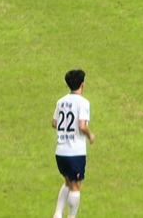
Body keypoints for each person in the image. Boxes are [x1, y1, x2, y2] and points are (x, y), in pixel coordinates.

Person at [52, 69, 94, 218]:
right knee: (75, 186)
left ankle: (57, 214)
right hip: (75, 152)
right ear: (82, 85)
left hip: (60, 151)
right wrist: (90, 135)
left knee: (68, 182)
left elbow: (54, 123)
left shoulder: (61, 102)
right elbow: (82, 125)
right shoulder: (83, 103)